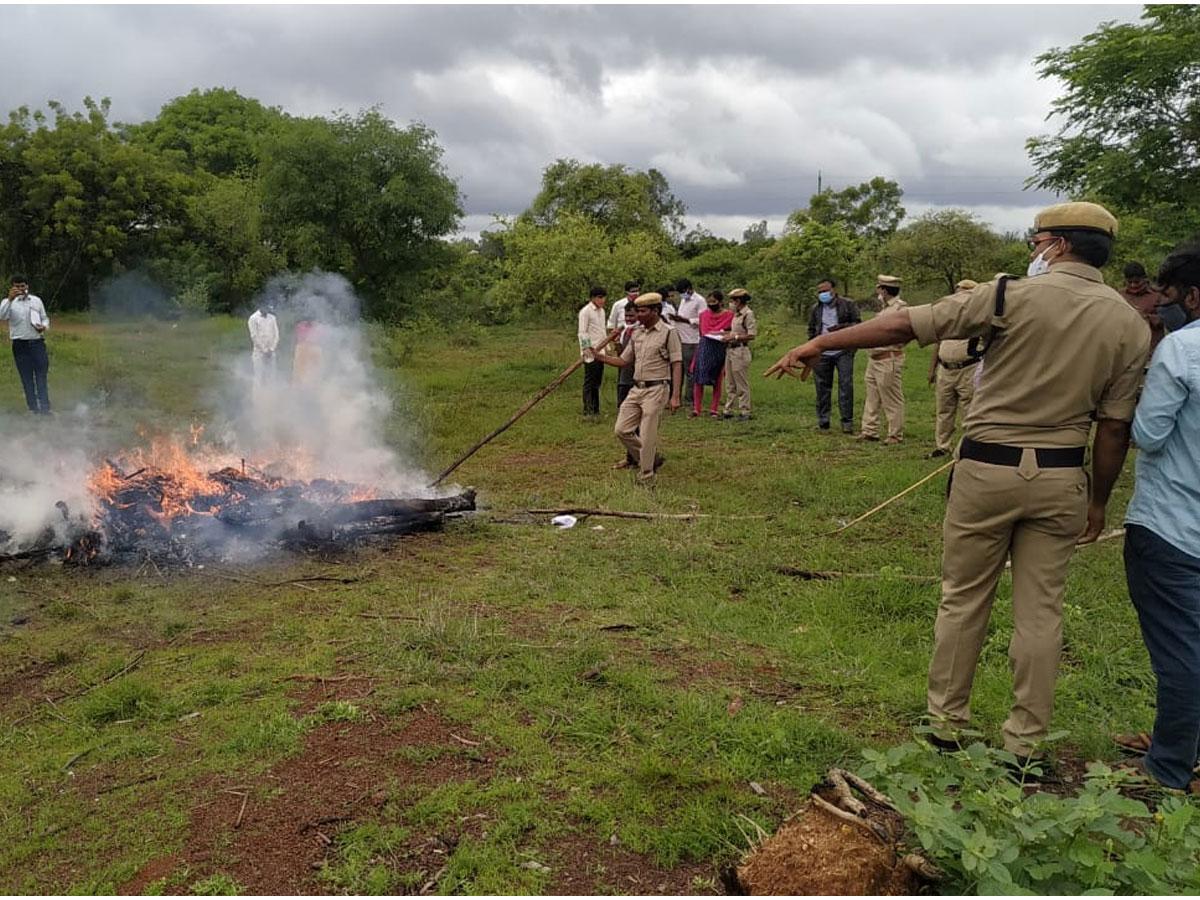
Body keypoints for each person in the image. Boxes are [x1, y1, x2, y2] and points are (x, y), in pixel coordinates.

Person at [767, 202, 1149, 770]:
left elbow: (906, 324)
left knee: (964, 597)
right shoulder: (1129, 324)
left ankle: (946, 723)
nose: (1033, 250)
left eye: (1037, 240)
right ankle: (1024, 744)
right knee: (1041, 612)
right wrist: (1098, 500)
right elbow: (1115, 428)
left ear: (1060, 245)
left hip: (986, 470)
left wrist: (824, 343)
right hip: (1063, 473)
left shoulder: (1006, 296)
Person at [1118, 240, 1200, 792]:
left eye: (1168, 296)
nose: (1161, 306)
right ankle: (1182, 741)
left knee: (1181, 653)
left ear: (1193, 296)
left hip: (1173, 525)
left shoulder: (1183, 350)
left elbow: (1148, 434)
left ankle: (1168, 768)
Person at [593, 292, 682, 484]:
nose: (639, 315)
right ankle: (650, 459)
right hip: (637, 388)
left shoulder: (668, 332)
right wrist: (599, 356)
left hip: (657, 388)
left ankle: (646, 476)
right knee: (622, 430)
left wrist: (675, 396)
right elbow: (623, 360)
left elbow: (676, 363)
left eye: (643, 311)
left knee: (648, 433)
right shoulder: (637, 333)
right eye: (638, 311)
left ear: (655, 311)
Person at [926, 279, 979, 458]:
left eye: (963, 292)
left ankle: (968, 446)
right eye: (957, 291)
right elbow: (937, 343)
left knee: (969, 409)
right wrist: (932, 369)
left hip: (968, 368)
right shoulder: (948, 318)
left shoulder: (977, 318)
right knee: (943, 409)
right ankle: (942, 446)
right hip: (945, 368)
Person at [807, 278, 861, 432]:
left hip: (843, 350)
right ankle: (823, 421)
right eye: (819, 292)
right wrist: (813, 346)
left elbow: (858, 324)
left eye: (825, 291)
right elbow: (811, 329)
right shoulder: (815, 309)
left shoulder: (847, 305)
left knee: (845, 385)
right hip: (823, 352)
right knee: (822, 387)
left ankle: (847, 422)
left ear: (833, 290)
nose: (822, 294)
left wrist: (841, 328)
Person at [859, 275, 908, 445]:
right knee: (872, 396)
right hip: (874, 358)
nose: (877, 291)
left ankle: (895, 434)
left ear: (884, 290)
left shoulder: (900, 309)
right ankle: (869, 430)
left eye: (879, 288)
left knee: (891, 397)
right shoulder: (884, 309)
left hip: (888, 358)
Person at [0, 275, 51, 413]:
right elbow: (2, 316)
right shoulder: (7, 302)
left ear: (27, 286)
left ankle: (45, 408)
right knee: (26, 379)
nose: (20, 289)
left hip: (37, 344)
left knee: (41, 376)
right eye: (16, 286)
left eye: (22, 286)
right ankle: (33, 408)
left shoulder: (36, 301)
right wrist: (10, 299)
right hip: (20, 346)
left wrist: (44, 327)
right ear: (12, 287)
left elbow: (45, 318)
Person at [690, 290, 733, 417]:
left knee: (717, 378)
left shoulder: (729, 315)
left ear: (720, 302)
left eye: (714, 302)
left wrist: (720, 333)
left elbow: (730, 331)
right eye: (709, 302)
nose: (711, 304)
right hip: (705, 346)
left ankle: (713, 408)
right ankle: (696, 408)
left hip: (719, 347)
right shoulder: (703, 315)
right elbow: (702, 332)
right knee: (699, 377)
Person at [722, 288, 757, 420]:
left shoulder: (748, 314)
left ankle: (745, 411)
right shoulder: (736, 315)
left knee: (741, 382)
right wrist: (726, 335)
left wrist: (734, 337)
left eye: (733, 300)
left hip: (740, 350)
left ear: (738, 300)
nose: (731, 303)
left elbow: (751, 335)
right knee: (729, 382)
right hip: (730, 350)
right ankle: (728, 409)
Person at [613, 304, 639, 469]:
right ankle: (630, 458)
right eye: (626, 316)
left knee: (636, 424)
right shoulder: (625, 331)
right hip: (623, 378)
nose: (629, 319)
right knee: (625, 422)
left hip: (636, 380)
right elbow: (623, 357)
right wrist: (617, 346)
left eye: (632, 316)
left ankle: (640, 457)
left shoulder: (641, 332)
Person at [1121, 261, 1165, 355]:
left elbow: (1167, 320)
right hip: (1126, 351)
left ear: (1144, 279)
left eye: (1137, 282)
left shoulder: (1158, 296)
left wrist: (1145, 317)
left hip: (1151, 351)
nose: (1133, 285)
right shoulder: (1120, 296)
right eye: (1130, 282)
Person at [577, 285, 609, 416]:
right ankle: (588, 409)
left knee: (597, 381)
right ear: (593, 298)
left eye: (603, 298)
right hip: (590, 351)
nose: (602, 300)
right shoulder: (585, 311)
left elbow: (602, 330)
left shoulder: (602, 311)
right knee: (590, 381)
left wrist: (606, 347)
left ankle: (596, 409)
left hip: (600, 351)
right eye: (599, 298)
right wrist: (587, 349)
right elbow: (582, 332)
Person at [672, 278, 706, 398]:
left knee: (690, 370)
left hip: (692, 340)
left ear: (689, 289)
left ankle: (690, 397)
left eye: (683, 291)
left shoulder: (699, 300)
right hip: (680, 338)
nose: (682, 294)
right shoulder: (683, 300)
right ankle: (676, 395)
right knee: (678, 369)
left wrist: (685, 320)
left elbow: (703, 320)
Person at [247, 303, 280, 384]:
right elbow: (254, 336)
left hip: (271, 352)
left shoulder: (272, 318)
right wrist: (264, 350)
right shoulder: (253, 318)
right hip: (259, 352)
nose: (267, 310)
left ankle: (271, 395)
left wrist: (271, 349)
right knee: (259, 376)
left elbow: (276, 335)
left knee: (272, 375)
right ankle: (258, 395)